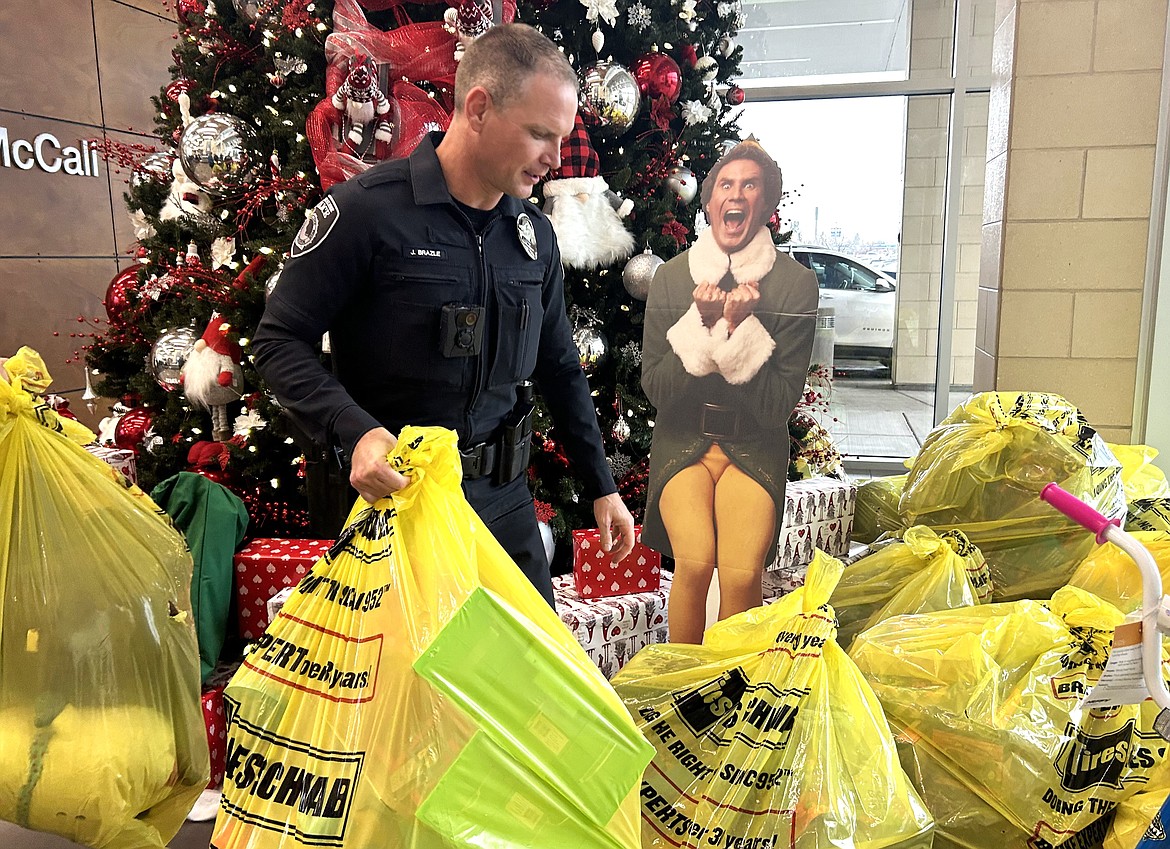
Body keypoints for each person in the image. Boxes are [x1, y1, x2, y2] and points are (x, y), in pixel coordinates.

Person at [252, 23, 635, 607]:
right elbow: (279, 341)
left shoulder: (534, 235)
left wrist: (602, 486)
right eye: (539, 134)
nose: (555, 160)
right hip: (395, 513)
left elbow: (560, 366)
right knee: (404, 694)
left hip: (505, 511)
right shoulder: (365, 213)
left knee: (517, 688)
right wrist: (355, 433)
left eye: (560, 138)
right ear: (478, 108)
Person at [640, 140, 818, 643]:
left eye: (750, 185)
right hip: (683, 444)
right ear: (709, 199)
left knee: (741, 576)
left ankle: (732, 694)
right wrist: (701, 324)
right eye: (725, 183)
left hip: (753, 447)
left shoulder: (794, 285)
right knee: (694, 565)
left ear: (766, 204)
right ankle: (676, 690)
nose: (735, 194)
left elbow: (775, 405)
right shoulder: (672, 279)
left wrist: (741, 332)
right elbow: (656, 386)